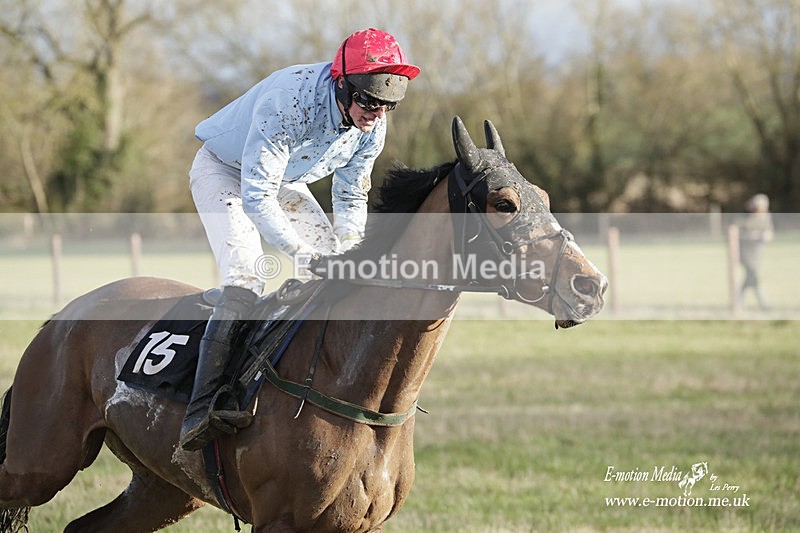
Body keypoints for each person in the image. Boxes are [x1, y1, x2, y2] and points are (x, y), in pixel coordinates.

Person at [179, 28, 420, 451]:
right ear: (342, 83)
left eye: (387, 105)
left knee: (336, 266)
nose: (376, 114)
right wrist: (299, 252)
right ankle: (202, 408)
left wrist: (349, 248)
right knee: (246, 274)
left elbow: (350, 192)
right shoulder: (289, 100)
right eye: (368, 101)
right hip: (225, 172)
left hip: (284, 181)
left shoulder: (372, 126)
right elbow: (256, 193)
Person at [738, 193, 774, 310]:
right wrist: (751, 235)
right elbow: (735, 234)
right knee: (754, 277)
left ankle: (737, 302)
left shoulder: (766, 217)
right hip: (744, 253)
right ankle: (764, 305)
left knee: (750, 278)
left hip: (757, 254)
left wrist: (766, 236)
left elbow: (770, 232)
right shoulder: (743, 217)